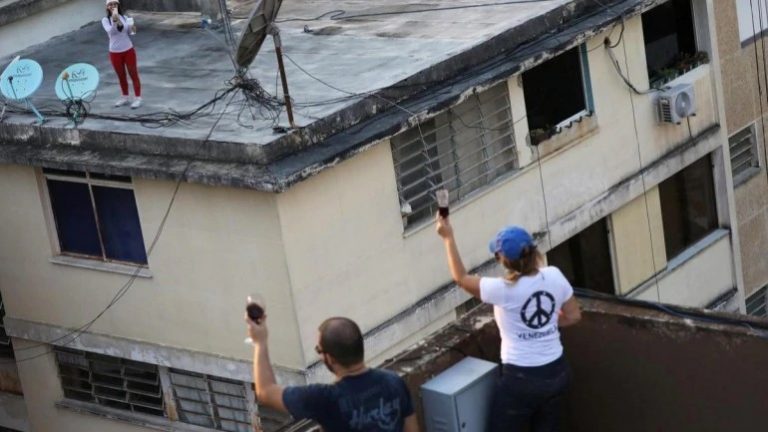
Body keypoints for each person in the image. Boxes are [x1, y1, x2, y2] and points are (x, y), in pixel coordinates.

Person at [436, 215, 581, 432]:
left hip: (520, 381)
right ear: (534, 252)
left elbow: (461, 278)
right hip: (557, 373)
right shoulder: (554, 276)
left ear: (502, 260)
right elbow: (574, 316)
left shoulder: (502, 289)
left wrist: (448, 237)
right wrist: (547, 324)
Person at [246, 313, 419, 432]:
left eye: (318, 350)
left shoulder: (325, 399)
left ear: (330, 358)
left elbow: (265, 392)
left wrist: (260, 342)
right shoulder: (393, 382)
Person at [102, 0, 142, 108]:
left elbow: (130, 33)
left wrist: (132, 28)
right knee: (121, 76)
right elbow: (112, 32)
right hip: (115, 52)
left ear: (118, 5)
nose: (113, 6)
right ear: (107, 7)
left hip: (128, 50)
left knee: (133, 74)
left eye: (115, 4)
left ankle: (138, 98)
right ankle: (125, 97)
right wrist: (115, 20)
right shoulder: (106, 20)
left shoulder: (124, 17)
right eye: (110, 4)